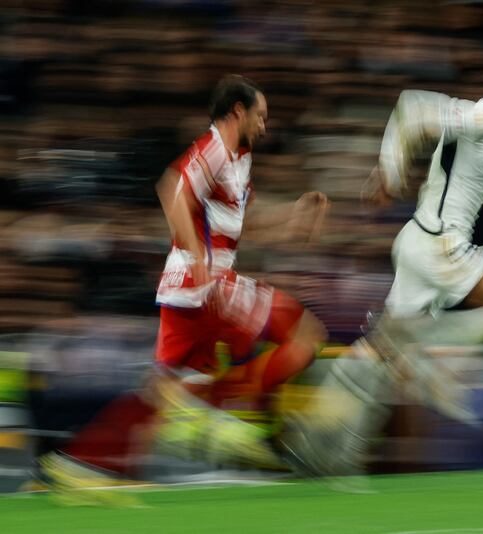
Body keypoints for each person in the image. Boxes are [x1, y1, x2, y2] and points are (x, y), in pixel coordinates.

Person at [282, 70, 483, 479]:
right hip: (440, 248)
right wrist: (390, 170)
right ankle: (420, 346)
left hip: (419, 244)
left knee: (380, 354)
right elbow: (411, 108)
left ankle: (315, 445)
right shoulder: (476, 118)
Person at [38, 75, 330, 503]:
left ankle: (79, 466)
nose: (265, 126)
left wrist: (294, 213)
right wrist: (198, 259)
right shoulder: (214, 147)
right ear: (238, 112)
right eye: (261, 116)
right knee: (305, 334)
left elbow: (245, 220)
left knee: (163, 391)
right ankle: (237, 422)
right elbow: (172, 189)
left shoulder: (238, 160)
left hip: (184, 291)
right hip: (207, 285)